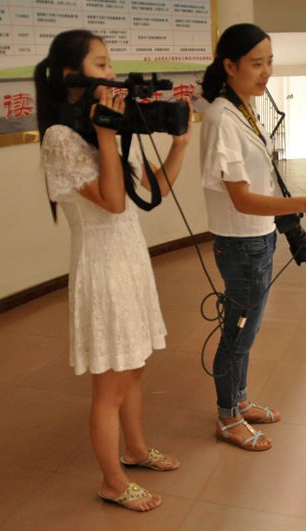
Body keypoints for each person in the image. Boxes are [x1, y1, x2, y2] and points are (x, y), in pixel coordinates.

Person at [34, 29, 192, 512]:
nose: (112, 73)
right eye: (101, 64)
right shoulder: (61, 137)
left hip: (130, 258)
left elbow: (152, 189)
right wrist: (106, 134)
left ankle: (136, 450)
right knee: (110, 385)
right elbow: (113, 201)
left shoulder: (110, 127)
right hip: (101, 267)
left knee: (135, 367)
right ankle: (112, 482)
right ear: (71, 75)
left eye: (109, 63)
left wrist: (180, 143)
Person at [198, 23, 306, 452]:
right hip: (240, 242)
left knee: (250, 327)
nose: (266, 72)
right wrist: (304, 203)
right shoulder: (221, 117)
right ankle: (228, 418)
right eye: (256, 63)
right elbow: (241, 199)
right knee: (238, 332)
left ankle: (240, 400)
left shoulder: (243, 108)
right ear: (230, 66)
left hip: (258, 238)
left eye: (270, 62)